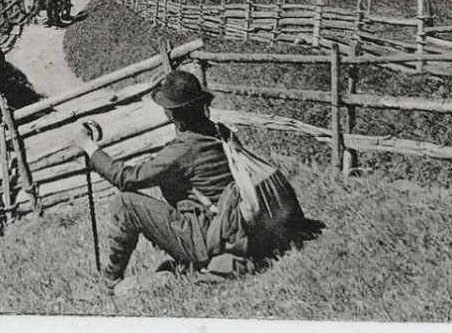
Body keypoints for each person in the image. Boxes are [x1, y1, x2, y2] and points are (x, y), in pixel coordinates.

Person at [75, 68, 306, 290]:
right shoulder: (220, 131)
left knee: (125, 203)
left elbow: (125, 178)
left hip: (209, 236)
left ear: (173, 113)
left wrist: (89, 146)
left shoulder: (184, 149)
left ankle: (110, 282)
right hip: (236, 229)